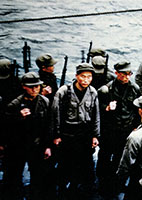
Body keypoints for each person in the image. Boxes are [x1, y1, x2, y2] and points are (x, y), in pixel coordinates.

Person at [51, 63, 100, 199]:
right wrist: (56, 135)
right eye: (83, 76)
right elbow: (55, 115)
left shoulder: (93, 92)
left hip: (84, 134)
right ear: (77, 76)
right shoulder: (63, 92)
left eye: (89, 77)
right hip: (67, 135)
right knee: (65, 164)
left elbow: (96, 115)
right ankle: (62, 190)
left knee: (85, 165)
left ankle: (79, 189)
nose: (86, 80)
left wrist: (95, 135)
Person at [2, 72, 51, 200]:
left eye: (37, 86)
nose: (35, 89)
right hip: (18, 146)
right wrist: (18, 118)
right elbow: (6, 129)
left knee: (38, 177)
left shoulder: (44, 101)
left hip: (37, 145)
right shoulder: (14, 105)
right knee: (14, 178)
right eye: (31, 86)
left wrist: (47, 146)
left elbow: (47, 126)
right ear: (24, 87)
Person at [96, 61, 140, 197]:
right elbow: (97, 110)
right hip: (109, 129)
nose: (127, 77)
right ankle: (101, 180)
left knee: (120, 157)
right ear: (116, 73)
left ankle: (114, 182)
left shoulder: (135, 89)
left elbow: (138, 110)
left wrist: (135, 127)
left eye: (129, 74)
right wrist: (107, 108)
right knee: (104, 155)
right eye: (124, 74)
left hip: (126, 129)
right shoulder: (106, 90)